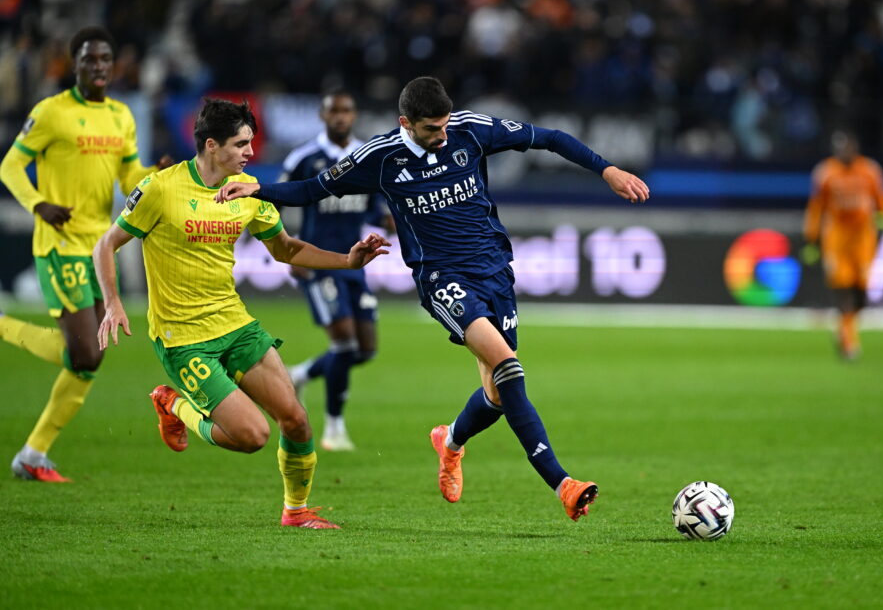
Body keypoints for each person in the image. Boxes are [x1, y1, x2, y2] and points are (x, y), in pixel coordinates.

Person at [216, 76, 650, 521]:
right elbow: (314, 188)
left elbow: (550, 138)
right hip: (441, 277)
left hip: (495, 271)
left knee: (498, 395)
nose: (442, 136)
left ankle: (450, 441)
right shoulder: (380, 158)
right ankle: (562, 482)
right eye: (431, 130)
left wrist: (607, 170)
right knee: (509, 368)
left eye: (445, 126)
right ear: (405, 122)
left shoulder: (469, 129)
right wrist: (260, 187)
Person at [92, 98, 389, 529]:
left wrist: (347, 260)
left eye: (251, 142)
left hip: (235, 324)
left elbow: (287, 248)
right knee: (252, 436)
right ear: (211, 145)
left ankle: (296, 511)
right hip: (184, 338)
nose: (250, 152)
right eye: (241, 144)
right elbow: (107, 244)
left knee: (296, 419)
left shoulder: (247, 191)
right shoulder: (161, 188)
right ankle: (174, 405)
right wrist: (113, 301)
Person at [0, 26, 173, 482]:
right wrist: (38, 203)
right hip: (58, 245)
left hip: (98, 246)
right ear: (73, 64)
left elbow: (127, 175)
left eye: (105, 59)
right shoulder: (51, 113)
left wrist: (152, 174)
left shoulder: (121, 116)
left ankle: (33, 454)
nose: (98, 67)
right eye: (89, 59)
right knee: (86, 353)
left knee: (88, 354)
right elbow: (10, 165)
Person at [280, 88, 394, 451]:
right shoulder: (304, 158)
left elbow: (375, 206)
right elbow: (275, 201)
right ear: (322, 116)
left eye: (347, 111)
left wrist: (388, 219)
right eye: (334, 111)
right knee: (344, 344)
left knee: (366, 350)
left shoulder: (367, 157)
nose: (341, 117)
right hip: (317, 263)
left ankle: (301, 373)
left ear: (354, 115)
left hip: (355, 264)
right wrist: (287, 249)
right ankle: (333, 429)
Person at [803, 129, 883, 360]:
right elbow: (816, 207)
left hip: (863, 238)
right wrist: (811, 238)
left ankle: (846, 327)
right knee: (843, 289)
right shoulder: (825, 172)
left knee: (861, 291)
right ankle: (848, 340)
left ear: (855, 147)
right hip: (837, 238)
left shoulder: (870, 170)